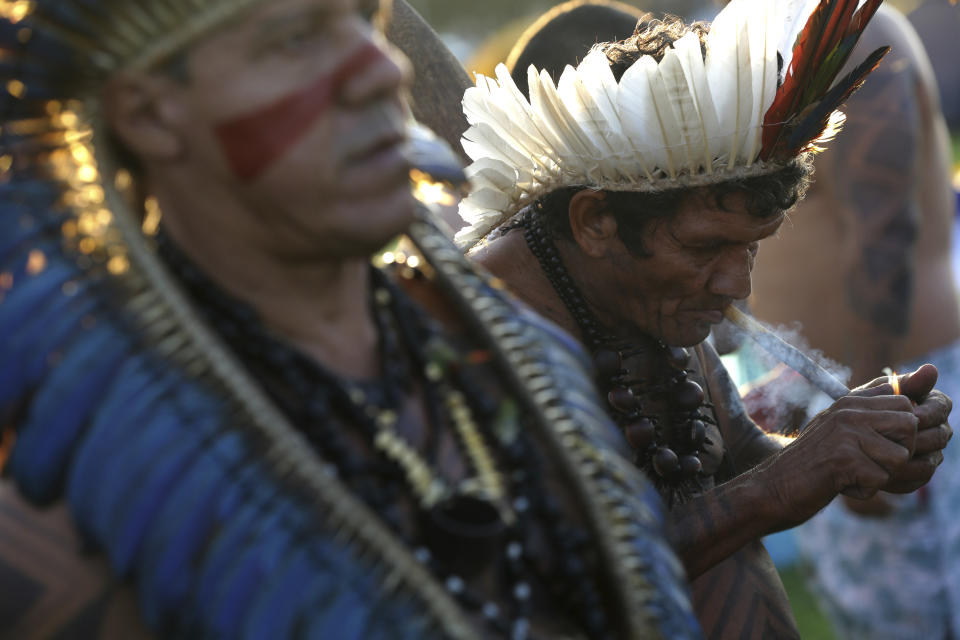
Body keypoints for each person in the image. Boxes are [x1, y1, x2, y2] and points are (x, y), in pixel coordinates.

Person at [0, 0, 701, 638]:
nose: (379, 68)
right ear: (150, 115)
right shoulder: (79, 519)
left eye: (366, 19)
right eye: (293, 39)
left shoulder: (529, 361)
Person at [454, 0, 953, 637]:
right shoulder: (479, 328)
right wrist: (791, 479)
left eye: (750, 247)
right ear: (593, 220)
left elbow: (735, 456)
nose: (738, 285)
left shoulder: (640, 295)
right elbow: (562, 570)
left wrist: (853, 439)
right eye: (706, 248)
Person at [745, 6, 960, 638]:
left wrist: (877, 412)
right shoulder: (762, 29)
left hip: (904, 388)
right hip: (831, 398)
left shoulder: (854, 28)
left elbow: (886, 228)